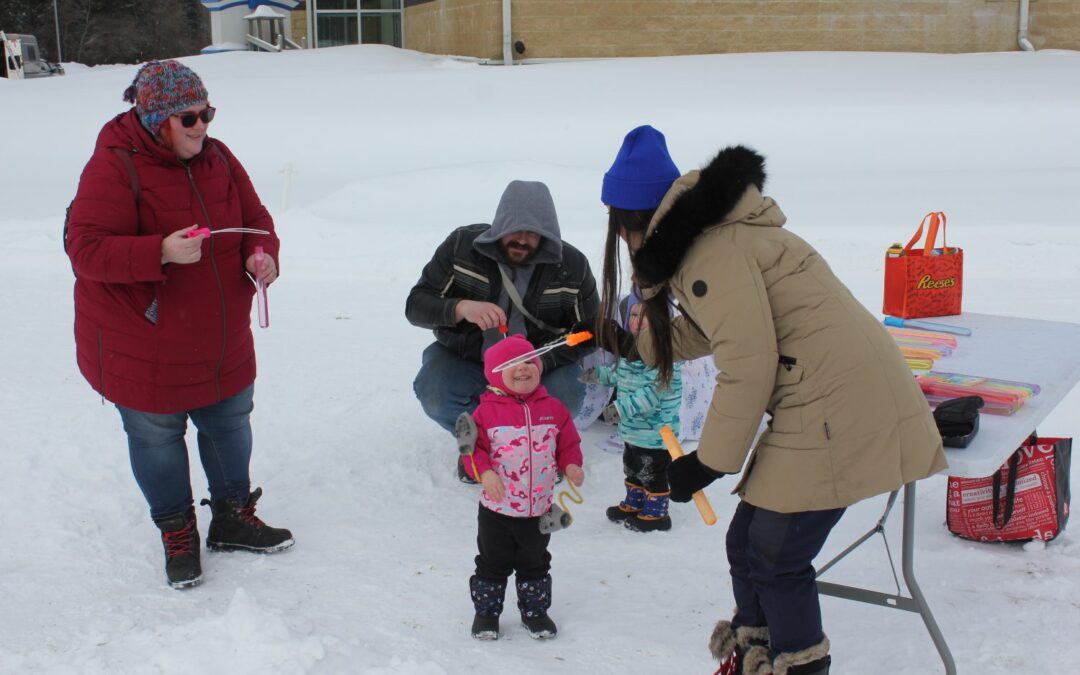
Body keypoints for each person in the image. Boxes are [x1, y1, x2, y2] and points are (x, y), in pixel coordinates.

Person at [592, 126, 947, 674]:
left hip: (838, 401)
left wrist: (706, 463)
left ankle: (798, 666)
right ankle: (755, 655)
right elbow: (728, 330)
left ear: (632, 221)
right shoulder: (712, 236)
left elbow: (749, 362)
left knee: (777, 555)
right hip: (824, 391)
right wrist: (639, 344)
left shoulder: (710, 253)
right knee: (747, 542)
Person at [66, 60, 294, 590]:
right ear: (156, 120)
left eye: (207, 114)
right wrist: (159, 252)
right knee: (157, 436)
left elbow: (256, 219)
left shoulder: (219, 158)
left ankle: (233, 517)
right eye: (188, 118)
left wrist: (263, 256)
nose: (201, 127)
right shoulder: (113, 166)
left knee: (230, 422)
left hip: (219, 335)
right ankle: (178, 531)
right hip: (141, 339)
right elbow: (85, 249)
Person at [406, 180, 599, 482]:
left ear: (548, 232)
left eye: (533, 232)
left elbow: (592, 332)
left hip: (539, 366)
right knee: (434, 391)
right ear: (499, 225)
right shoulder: (461, 247)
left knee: (568, 394)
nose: (522, 239)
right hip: (470, 357)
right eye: (514, 228)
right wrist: (461, 308)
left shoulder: (571, 266)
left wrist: (540, 362)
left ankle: (538, 446)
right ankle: (481, 446)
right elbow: (416, 305)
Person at [459, 334, 585, 641]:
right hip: (497, 511)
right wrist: (485, 473)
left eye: (528, 361)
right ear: (494, 374)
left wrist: (571, 464)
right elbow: (470, 450)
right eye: (512, 364)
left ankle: (535, 613)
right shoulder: (484, 413)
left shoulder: (553, 409)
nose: (522, 368)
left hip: (538, 508)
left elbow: (568, 442)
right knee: (492, 563)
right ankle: (487, 614)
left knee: (536, 563)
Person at [580, 290, 683, 532]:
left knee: (653, 472)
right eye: (633, 314)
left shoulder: (665, 357)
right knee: (633, 466)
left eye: (644, 316)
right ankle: (635, 501)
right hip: (633, 431)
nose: (636, 320)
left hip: (656, 434)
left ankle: (658, 513)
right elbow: (620, 375)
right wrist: (598, 375)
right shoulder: (632, 351)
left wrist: (620, 409)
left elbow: (652, 394)